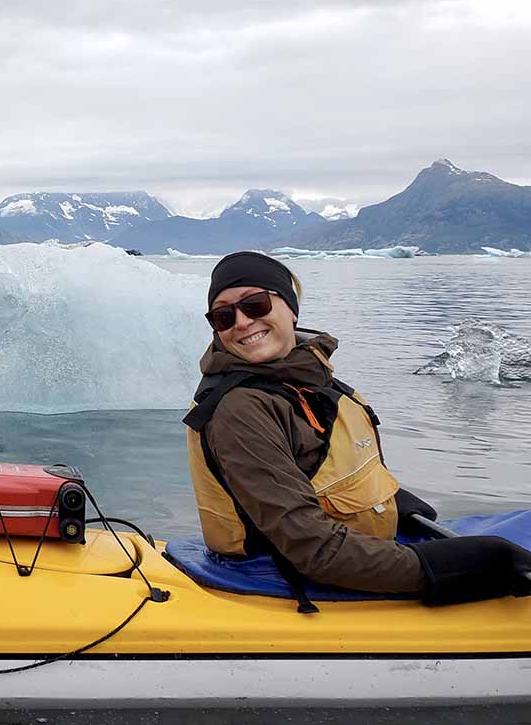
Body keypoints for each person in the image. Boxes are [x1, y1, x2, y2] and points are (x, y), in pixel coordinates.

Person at [184, 250, 531, 607]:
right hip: (280, 571)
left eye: (255, 305)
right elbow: (313, 550)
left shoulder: (304, 375)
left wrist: (396, 504)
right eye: (224, 316)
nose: (241, 322)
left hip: (350, 545)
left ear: (290, 307)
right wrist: (444, 568)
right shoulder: (241, 409)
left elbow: (333, 470)